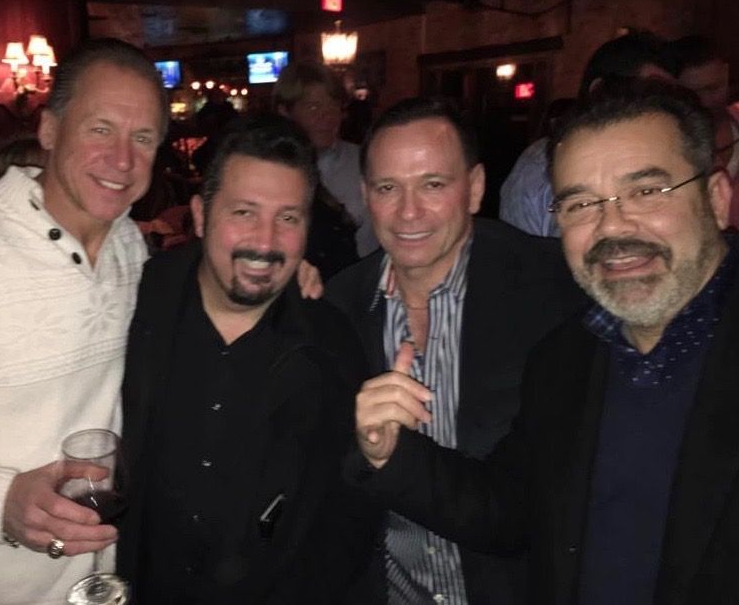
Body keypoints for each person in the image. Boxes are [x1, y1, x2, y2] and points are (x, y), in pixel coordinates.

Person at [347, 79, 739, 603]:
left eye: (647, 192)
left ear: (716, 198)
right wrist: (392, 455)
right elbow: (513, 510)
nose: (613, 225)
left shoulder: (552, 299)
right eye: (581, 204)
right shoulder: (572, 355)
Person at [0, 38, 169, 603]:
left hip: (100, 583)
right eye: (100, 129)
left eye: (142, 138)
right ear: (50, 129)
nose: (122, 160)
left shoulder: (130, 248)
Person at [326, 97, 583, 604]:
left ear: (476, 187)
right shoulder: (336, 308)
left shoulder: (556, 290)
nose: (408, 211)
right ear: (366, 195)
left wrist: (394, 457)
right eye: (387, 188)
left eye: (433, 184)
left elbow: (548, 501)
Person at [118, 115, 370, 604]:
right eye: (244, 212)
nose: (266, 241)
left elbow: (351, 509)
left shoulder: (332, 344)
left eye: (288, 218)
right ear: (199, 215)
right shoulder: (134, 305)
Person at [499, 31, 679, 237]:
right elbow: (519, 250)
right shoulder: (540, 164)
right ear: (599, 89)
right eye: (652, 91)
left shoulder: (675, 152)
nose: (665, 106)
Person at [275, 61, 378, 259]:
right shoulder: (270, 170)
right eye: (313, 107)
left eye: (333, 105)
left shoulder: (366, 162)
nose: (327, 116)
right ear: (285, 112)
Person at [670, 35, 739, 228]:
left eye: (713, 88)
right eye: (693, 94)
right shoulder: (667, 147)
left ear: (726, 73)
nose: (706, 101)